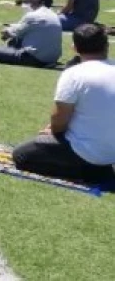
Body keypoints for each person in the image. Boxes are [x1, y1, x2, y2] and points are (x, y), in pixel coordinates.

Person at [12, 25, 115, 183]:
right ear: (106, 45)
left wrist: (52, 132)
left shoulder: (74, 74)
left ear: (74, 48)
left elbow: (59, 122)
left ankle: (89, 171)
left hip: (87, 154)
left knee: (21, 155)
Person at [0, 0, 63, 68]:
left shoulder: (32, 16)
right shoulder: (52, 13)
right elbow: (27, 27)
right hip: (53, 58)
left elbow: (12, 33)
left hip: (35, 58)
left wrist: (6, 31)